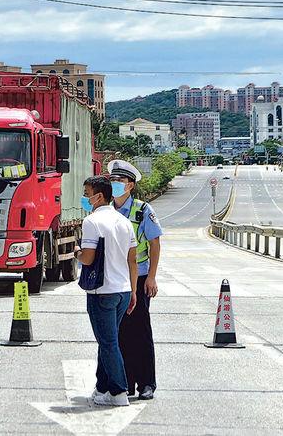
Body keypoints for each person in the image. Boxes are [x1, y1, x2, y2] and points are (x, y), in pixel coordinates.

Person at [74, 175, 137, 407]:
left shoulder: (91, 222)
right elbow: (132, 259)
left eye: (87, 193)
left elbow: (88, 258)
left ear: (99, 195)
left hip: (102, 292)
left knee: (108, 343)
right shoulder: (124, 222)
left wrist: (77, 252)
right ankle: (102, 387)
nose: (86, 198)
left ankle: (119, 391)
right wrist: (133, 291)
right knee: (107, 340)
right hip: (123, 290)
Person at [109, 159, 163, 401]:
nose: (115, 185)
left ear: (130, 185)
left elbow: (154, 243)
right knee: (119, 332)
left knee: (140, 331)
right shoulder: (107, 210)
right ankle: (126, 381)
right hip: (115, 279)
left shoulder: (142, 210)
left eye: (120, 181)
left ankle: (147, 383)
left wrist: (151, 276)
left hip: (139, 278)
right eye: (113, 180)